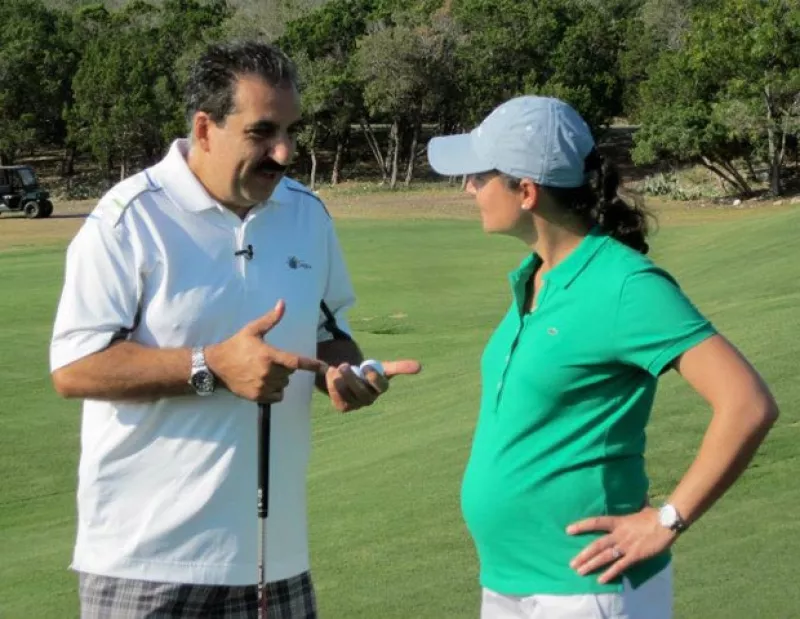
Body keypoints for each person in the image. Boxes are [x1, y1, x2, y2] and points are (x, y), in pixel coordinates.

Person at [49, 40, 421, 619]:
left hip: (277, 565)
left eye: (292, 131)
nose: (284, 151)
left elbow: (328, 334)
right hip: (146, 566)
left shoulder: (307, 214)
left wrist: (344, 374)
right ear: (204, 128)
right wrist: (212, 367)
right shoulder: (128, 219)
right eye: (262, 132)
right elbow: (74, 368)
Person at [426, 95, 779, 619]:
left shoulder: (625, 285)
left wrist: (666, 519)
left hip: (588, 590)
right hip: (509, 582)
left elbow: (748, 404)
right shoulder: (534, 278)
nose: (467, 188)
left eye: (479, 175)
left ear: (525, 191)